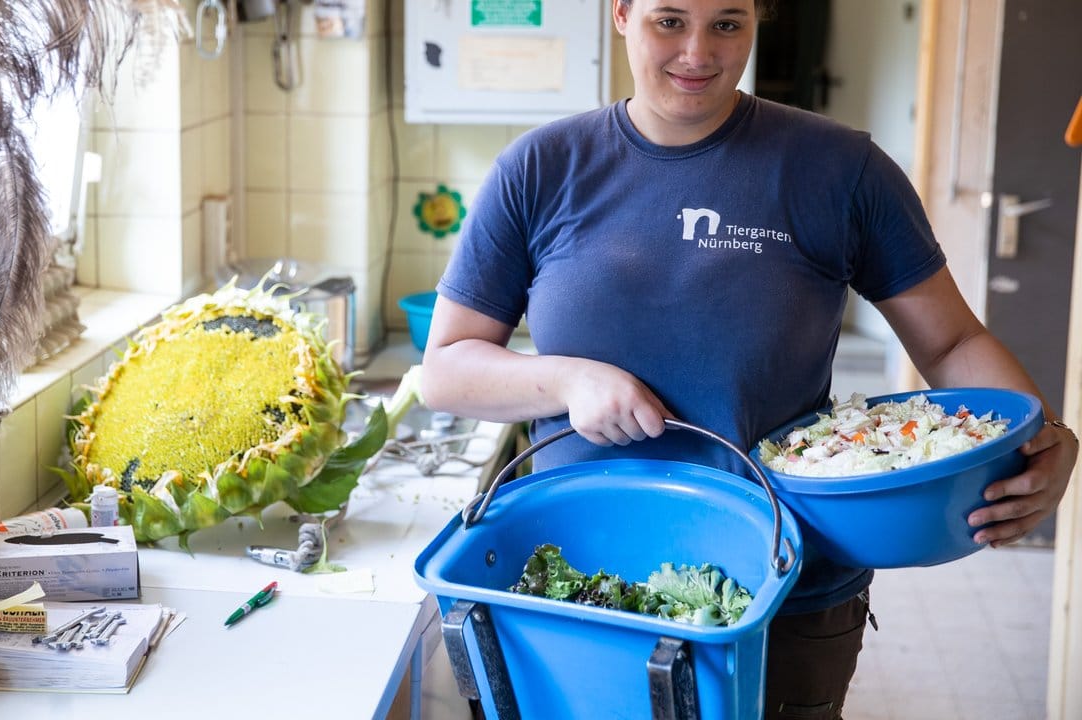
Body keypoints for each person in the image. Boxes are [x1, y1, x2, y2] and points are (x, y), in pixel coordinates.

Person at [417, 0, 1079, 718]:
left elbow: (952, 343)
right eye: (669, 21)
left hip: (783, 594)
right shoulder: (541, 168)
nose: (698, 52)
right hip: (579, 593)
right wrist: (569, 377)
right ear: (621, 14)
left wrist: (1044, 437)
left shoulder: (840, 169)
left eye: (727, 23)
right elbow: (445, 370)